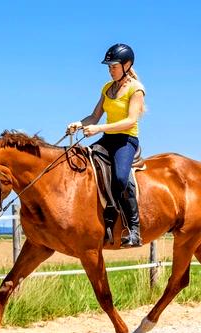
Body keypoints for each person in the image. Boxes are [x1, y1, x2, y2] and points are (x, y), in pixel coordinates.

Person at [67, 43, 146, 247]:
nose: (110, 70)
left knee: (120, 178)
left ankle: (134, 230)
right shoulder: (106, 88)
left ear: (127, 65)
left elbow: (130, 121)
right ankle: (104, 217)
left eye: (114, 66)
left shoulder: (136, 89)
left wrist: (98, 129)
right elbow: (94, 116)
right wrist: (79, 123)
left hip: (126, 140)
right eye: (109, 67)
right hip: (108, 139)